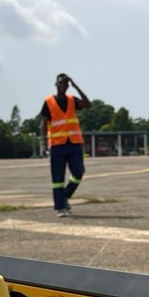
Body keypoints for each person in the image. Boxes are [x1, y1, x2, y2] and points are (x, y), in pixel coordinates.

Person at [39, 73, 91, 217]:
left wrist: (76, 86)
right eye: (60, 83)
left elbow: (87, 104)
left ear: (68, 86)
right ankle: (60, 207)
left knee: (78, 172)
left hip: (74, 144)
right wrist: (44, 145)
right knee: (57, 179)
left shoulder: (72, 100)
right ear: (56, 85)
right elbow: (42, 124)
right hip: (57, 145)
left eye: (65, 84)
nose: (63, 86)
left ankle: (65, 196)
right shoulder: (49, 102)